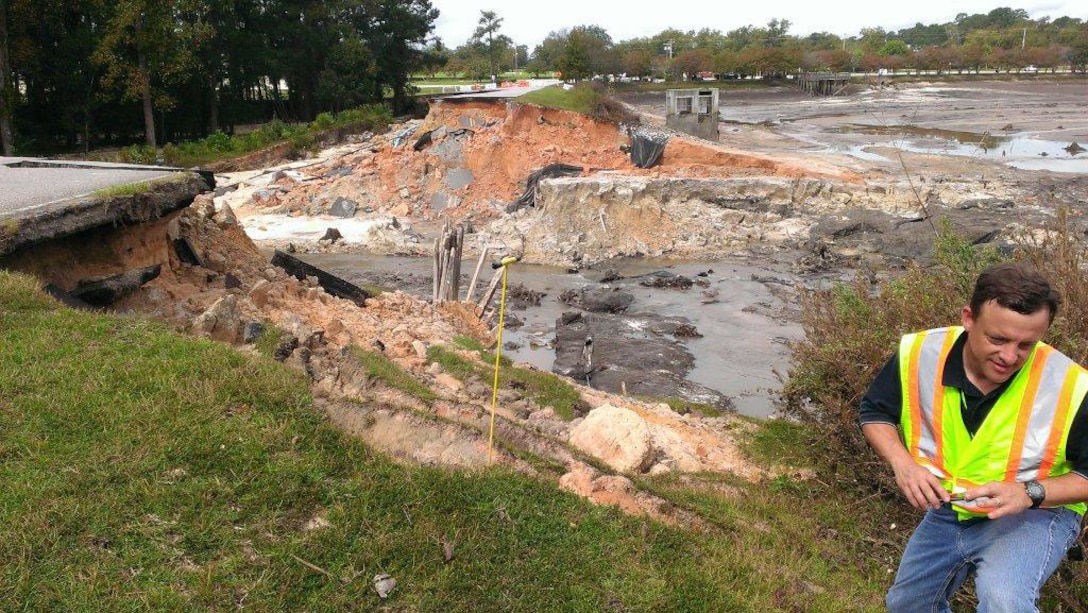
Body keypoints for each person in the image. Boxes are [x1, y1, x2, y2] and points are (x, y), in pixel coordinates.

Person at [860, 262, 1088, 612]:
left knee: (1004, 599)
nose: (1010, 356)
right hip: (953, 506)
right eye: (998, 339)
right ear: (968, 318)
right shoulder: (919, 353)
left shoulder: (1072, 386)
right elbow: (876, 412)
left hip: (1037, 511)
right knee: (909, 604)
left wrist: (1030, 493)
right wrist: (902, 464)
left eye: (1026, 345)